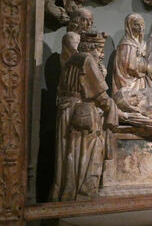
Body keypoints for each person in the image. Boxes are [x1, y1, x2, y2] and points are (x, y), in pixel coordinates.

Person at [51, 31, 119, 201]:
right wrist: (111, 105)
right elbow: (98, 92)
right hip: (83, 113)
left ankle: (66, 194)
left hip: (67, 112)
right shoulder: (86, 60)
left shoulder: (71, 60)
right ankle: (81, 197)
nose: (102, 55)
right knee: (86, 155)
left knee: (69, 157)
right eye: (100, 50)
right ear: (90, 47)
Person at [112, 13, 148, 94]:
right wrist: (137, 72)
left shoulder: (143, 43)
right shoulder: (126, 44)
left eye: (142, 25)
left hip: (140, 79)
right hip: (129, 80)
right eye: (137, 25)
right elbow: (127, 65)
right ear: (129, 26)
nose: (140, 28)